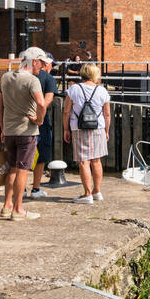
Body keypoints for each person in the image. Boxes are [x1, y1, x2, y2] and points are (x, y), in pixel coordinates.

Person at [0, 47, 48, 219]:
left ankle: (6, 206)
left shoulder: (5, 77)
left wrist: (3, 128)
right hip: (26, 131)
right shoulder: (32, 80)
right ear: (33, 61)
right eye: (41, 62)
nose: (42, 66)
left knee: (11, 168)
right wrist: (39, 120)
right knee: (23, 170)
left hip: (9, 131)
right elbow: (41, 104)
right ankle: (18, 209)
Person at [65, 63, 111, 203]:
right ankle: (97, 191)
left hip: (79, 128)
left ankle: (87, 194)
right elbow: (107, 114)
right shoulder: (102, 91)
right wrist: (107, 131)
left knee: (84, 161)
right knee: (96, 160)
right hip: (98, 128)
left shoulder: (73, 89)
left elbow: (66, 111)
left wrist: (66, 129)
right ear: (95, 74)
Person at [29, 53, 57, 199]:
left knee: (20, 156)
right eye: (51, 64)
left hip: (20, 120)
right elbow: (47, 100)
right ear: (45, 64)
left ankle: (19, 189)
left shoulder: (17, 77)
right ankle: (35, 188)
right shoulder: (49, 79)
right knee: (41, 154)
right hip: (41, 122)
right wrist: (38, 116)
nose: (52, 67)